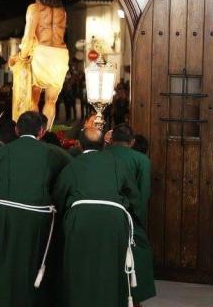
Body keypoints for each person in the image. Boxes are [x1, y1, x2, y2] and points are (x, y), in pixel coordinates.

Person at [53, 128, 144, 307]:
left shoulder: (74, 164)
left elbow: (59, 194)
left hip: (80, 220)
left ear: (78, 145)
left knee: (79, 267)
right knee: (111, 268)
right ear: (104, 144)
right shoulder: (117, 163)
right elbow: (134, 196)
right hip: (114, 221)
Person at [0, 111, 69, 307]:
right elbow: (70, 169)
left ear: (17, 130)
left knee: (3, 259)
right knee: (31, 261)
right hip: (36, 213)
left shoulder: (1, 151)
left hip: (2, 211)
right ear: (41, 131)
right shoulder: (52, 152)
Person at [8, 0, 76, 129]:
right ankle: (45, 132)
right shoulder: (63, 12)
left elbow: (28, 37)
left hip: (42, 54)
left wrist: (21, 57)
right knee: (51, 100)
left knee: (33, 98)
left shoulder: (35, 8)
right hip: (60, 55)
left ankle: (32, 132)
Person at [106, 124, 156, 305]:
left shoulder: (101, 155)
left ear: (111, 140)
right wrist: (139, 220)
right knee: (137, 257)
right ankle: (133, 299)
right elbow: (142, 195)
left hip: (104, 215)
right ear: (132, 142)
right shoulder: (141, 160)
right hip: (129, 217)